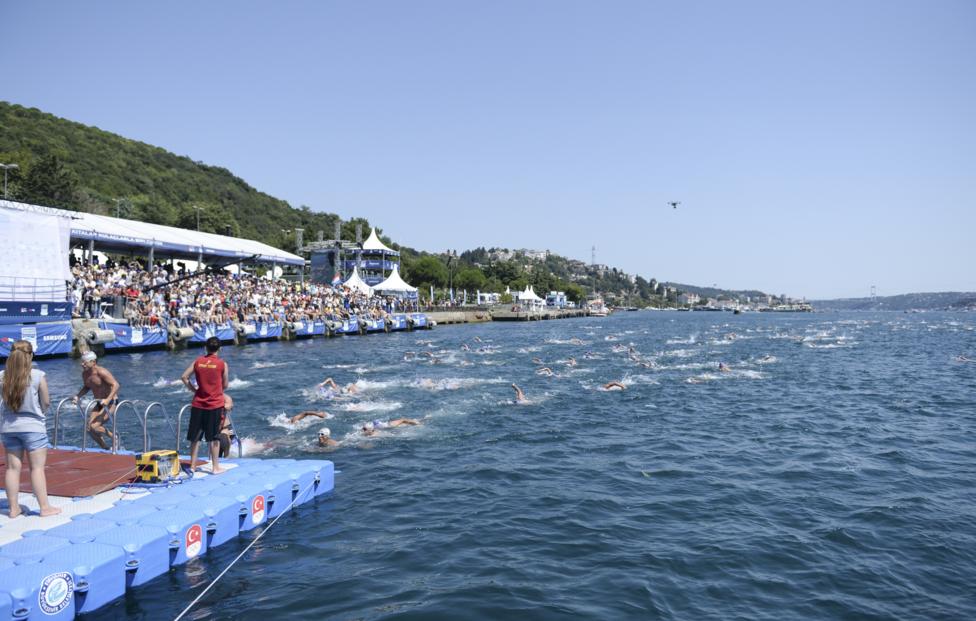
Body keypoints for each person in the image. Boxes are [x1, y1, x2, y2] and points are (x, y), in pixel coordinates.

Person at [0, 340, 61, 517]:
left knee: (12, 468)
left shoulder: (3, 376)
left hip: (9, 427)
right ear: (30, 356)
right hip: (33, 427)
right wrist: (40, 411)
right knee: (37, 468)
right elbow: (47, 401)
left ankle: (13, 509)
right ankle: (44, 508)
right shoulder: (37, 375)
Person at [181, 336, 228, 474]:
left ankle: (193, 466)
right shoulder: (222, 364)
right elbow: (225, 384)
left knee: (195, 437)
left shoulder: (198, 361)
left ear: (205, 348)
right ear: (220, 349)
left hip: (198, 403)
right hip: (214, 404)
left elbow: (184, 377)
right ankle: (215, 467)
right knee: (214, 437)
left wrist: (194, 390)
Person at [73, 351, 120, 450]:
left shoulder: (101, 372)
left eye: (85, 362)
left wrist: (108, 399)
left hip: (111, 402)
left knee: (94, 426)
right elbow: (87, 387)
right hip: (99, 403)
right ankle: (105, 448)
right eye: (82, 362)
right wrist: (78, 396)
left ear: (93, 362)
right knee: (88, 428)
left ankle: (114, 437)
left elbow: (116, 385)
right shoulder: (85, 374)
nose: (82, 364)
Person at [217, 395, 236, 459]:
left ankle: (226, 459)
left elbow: (228, 405)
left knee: (223, 438)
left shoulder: (225, 398)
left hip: (226, 429)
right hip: (216, 430)